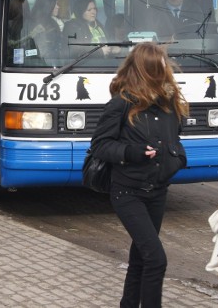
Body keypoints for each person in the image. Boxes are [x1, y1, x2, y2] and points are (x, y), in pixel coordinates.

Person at [90, 42, 188, 308]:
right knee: (156, 259)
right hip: (127, 192)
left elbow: (175, 141)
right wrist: (132, 152)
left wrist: (177, 159)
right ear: (147, 70)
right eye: (160, 64)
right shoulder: (122, 103)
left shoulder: (170, 103)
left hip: (157, 192)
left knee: (141, 258)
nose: (166, 68)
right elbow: (99, 145)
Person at [28, 0, 62, 64]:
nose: (58, 7)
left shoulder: (52, 22)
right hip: (40, 63)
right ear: (47, 6)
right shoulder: (31, 24)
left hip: (55, 62)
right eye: (55, 4)